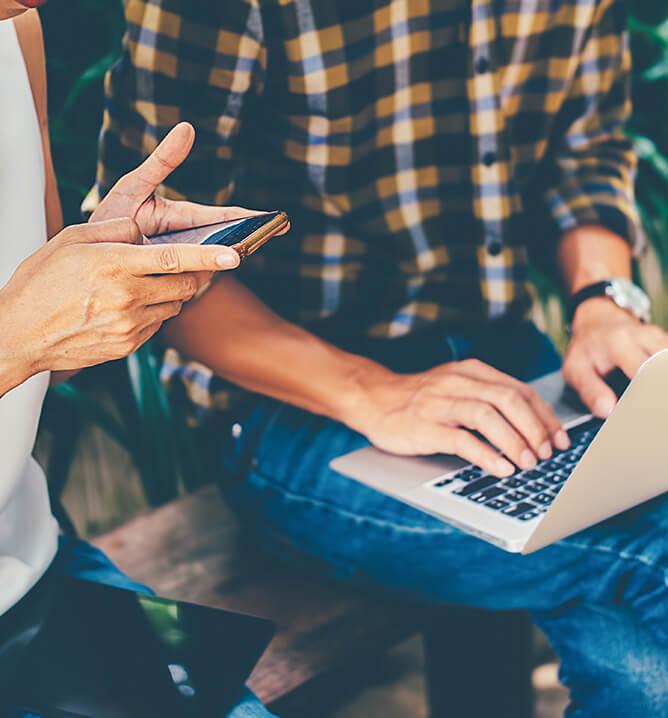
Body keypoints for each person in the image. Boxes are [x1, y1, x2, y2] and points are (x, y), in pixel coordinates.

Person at [96, 1, 668, 715]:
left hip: (505, 361)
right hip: (293, 401)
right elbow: (137, 251)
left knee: (647, 672)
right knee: (654, 558)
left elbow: (586, 152)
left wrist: (603, 301)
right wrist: (374, 392)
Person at [0, 5, 277, 716]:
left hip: (29, 581)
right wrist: (13, 339)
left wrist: (96, 273)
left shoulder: (15, 31)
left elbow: (41, 367)